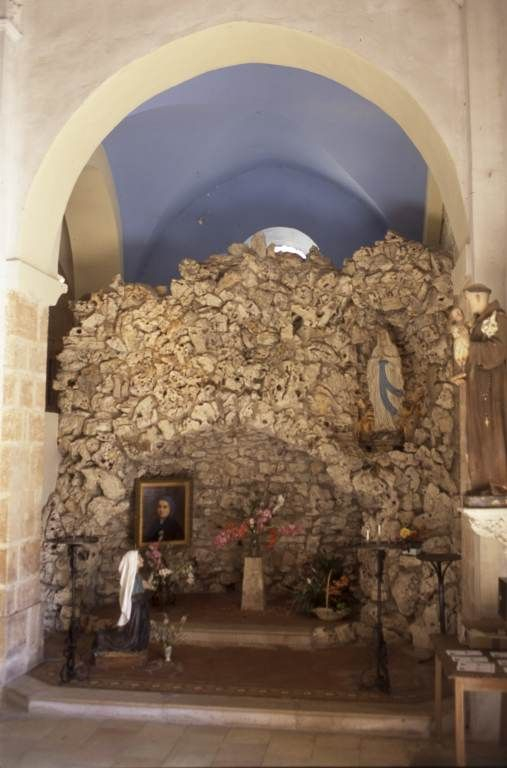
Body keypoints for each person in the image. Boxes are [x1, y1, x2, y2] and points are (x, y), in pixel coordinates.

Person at [459, 284, 507, 495]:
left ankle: (498, 483)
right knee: (477, 434)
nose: (469, 305)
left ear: (480, 297)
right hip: (477, 389)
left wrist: (471, 347)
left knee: (492, 433)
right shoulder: (478, 323)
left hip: (492, 388)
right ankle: (482, 483)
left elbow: (498, 351)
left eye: (471, 300)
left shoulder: (498, 319)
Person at [94, 550, 152, 654]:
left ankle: (137, 642)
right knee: (132, 637)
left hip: (140, 607)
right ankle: (102, 638)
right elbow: (133, 593)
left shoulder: (136, 576)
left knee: (137, 633)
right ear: (133, 562)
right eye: (139, 558)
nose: (142, 559)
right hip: (137, 609)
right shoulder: (132, 578)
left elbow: (145, 585)